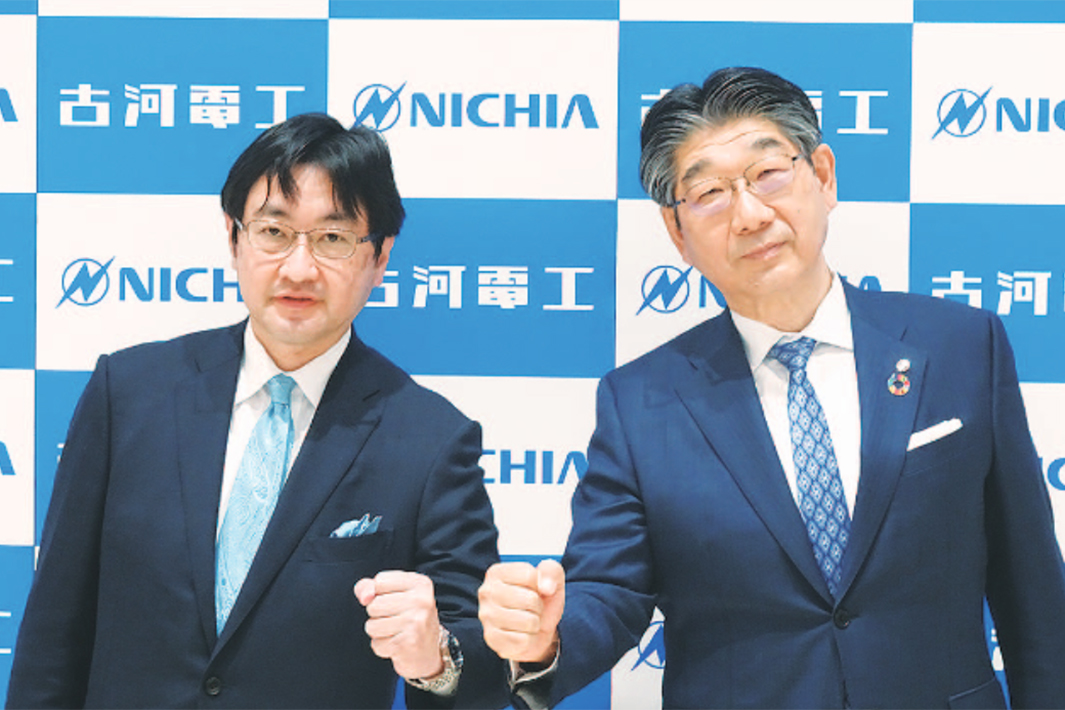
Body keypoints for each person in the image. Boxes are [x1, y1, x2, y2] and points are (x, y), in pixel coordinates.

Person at [478, 67, 1065, 709]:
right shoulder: (641, 402)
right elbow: (609, 591)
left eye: (768, 174)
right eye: (709, 192)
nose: (751, 215)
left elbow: (1032, 588)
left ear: (823, 176)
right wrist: (545, 639)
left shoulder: (960, 346)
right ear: (677, 232)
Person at [7, 113, 507, 709]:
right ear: (234, 238)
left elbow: (479, 668)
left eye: (333, 238)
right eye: (274, 231)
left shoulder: (430, 439)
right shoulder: (129, 394)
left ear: (379, 257)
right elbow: (53, 634)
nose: (299, 268)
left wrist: (437, 658)